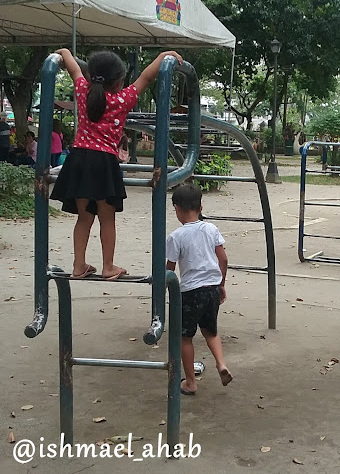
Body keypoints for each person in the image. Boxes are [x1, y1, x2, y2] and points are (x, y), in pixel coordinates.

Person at [50, 48, 183, 279]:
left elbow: (73, 68)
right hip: (103, 163)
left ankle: (78, 264)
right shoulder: (122, 99)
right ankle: (108, 266)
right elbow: (147, 77)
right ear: (120, 81)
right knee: (107, 218)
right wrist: (161, 57)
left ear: (91, 76)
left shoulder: (83, 91)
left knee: (84, 218)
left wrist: (66, 53)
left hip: (79, 160)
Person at [166, 183, 232, 396]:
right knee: (210, 331)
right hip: (212, 288)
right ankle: (221, 364)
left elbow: (170, 269)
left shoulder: (176, 236)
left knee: (185, 337)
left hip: (190, 292)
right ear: (201, 207)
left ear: (176, 208)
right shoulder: (211, 229)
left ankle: (190, 382)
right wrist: (221, 283)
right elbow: (223, 258)